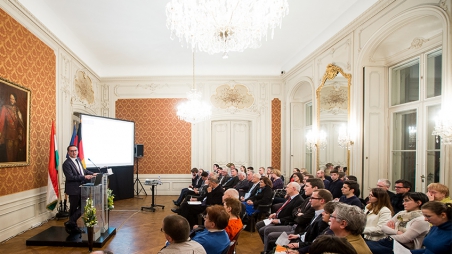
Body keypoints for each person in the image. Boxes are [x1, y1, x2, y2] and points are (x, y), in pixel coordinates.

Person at [255, 182, 304, 253]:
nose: (285, 189)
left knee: (265, 230)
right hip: (278, 217)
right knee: (259, 225)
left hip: (286, 222)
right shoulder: (290, 197)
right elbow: (283, 208)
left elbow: (292, 217)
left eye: (287, 187)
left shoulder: (299, 200)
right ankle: (268, 247)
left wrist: (279, 220)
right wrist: (275, 213)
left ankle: (268, 250)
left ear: (294, 189)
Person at [62, 145, 97, 234]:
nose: (74, 152)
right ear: (68, 152)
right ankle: (73, 227)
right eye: (71, 151)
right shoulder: (66, 163)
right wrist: (84, 177)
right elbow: (70, 177)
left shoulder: (78, 160)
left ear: (77, 151)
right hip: (73, 189)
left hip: (82, 188)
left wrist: (93, 174)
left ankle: (70, 222)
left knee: (84, 206)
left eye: (75, 150)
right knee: (73, 209)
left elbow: (83, 171)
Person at [0, 93, 25, 162]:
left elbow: (20, 125)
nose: (11, 100)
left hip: (16, 136)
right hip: (9, 135)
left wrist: (20, 133)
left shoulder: (17, 110)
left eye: (13, 99)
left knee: (15, 156)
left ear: (15, 100)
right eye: (10, 98)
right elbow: (1, 122)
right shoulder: (5, 108)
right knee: (10, 156)